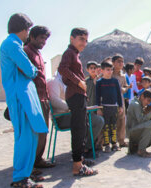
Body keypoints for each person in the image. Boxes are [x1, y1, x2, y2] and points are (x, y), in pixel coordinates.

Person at [0, 13, 48, 188]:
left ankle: (25, 174)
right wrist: (33, 70)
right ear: (21, 29)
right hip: (21, 97)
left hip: (22, 96)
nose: (28, 33)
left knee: (29, 135)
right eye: (27, 29)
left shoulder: (13, 44)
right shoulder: (12, 44)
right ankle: (21, 177)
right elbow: (30, 70)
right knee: (25, 137)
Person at [58, 27, 98, 176]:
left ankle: (79, 160)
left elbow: (64, 76)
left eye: (86, 40)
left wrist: (75, 81)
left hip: (78, 95)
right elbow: (62, 69)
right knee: (79, 129)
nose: (84, 43)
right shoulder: (69, 53)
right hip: (75, 95)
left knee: (83, 127)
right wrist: (79, 82)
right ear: (72, 38)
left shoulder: (75, 54)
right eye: (81, 39)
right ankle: (77, 166)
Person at [47, 72, 104, 159]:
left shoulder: (66, 81)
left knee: (94, 118)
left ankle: (85, 147)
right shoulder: (53, 81)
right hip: (61, 117)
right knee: (97, 120)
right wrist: (74, 107)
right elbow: (54, 100)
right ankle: (84, 149)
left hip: (69, 114)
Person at [24, 25, 55, 169]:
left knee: (43, 131)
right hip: (33, 99)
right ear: (32, 37)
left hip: (43, 98)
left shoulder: (38, 53)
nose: (44, 41)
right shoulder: (26, 52)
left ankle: (38, 160)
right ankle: (30, 165)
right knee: (33, 134)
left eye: (46, 39)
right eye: (41, 38)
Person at [126, 90, 151, 157]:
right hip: (132, 132)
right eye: (148, 100)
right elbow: (141, 121)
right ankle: (141, 150)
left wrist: (150, 111)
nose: (148, 103)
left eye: (150, 101)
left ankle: (137, 146)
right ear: (142, 97)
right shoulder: (136, 104)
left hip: (137, 130)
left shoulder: (140, 104)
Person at [96, 60, 124, 152]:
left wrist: (120, 106)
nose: (110, 71)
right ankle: (107, 145)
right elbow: (97, 96)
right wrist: (99, 108)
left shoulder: (115, 81)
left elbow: (119, 95)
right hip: (104, 107)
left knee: (114, 126)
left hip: (114, 107)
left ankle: (114, 144)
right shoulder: (99, 82)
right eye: (108, 70)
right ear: (102, 70)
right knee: (106, 127)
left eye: (111, 69)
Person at [112, 54, 129, 148]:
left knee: (121, 120)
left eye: (122, 61)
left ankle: (121, 141)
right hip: (109, 101)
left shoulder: (123, 76)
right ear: (113, 63)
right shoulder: (109, 73)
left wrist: (124, 89)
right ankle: (104, 142)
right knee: (110, 121)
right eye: (118, 61)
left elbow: (126, 86)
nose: (121, 63)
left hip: (120, 101)